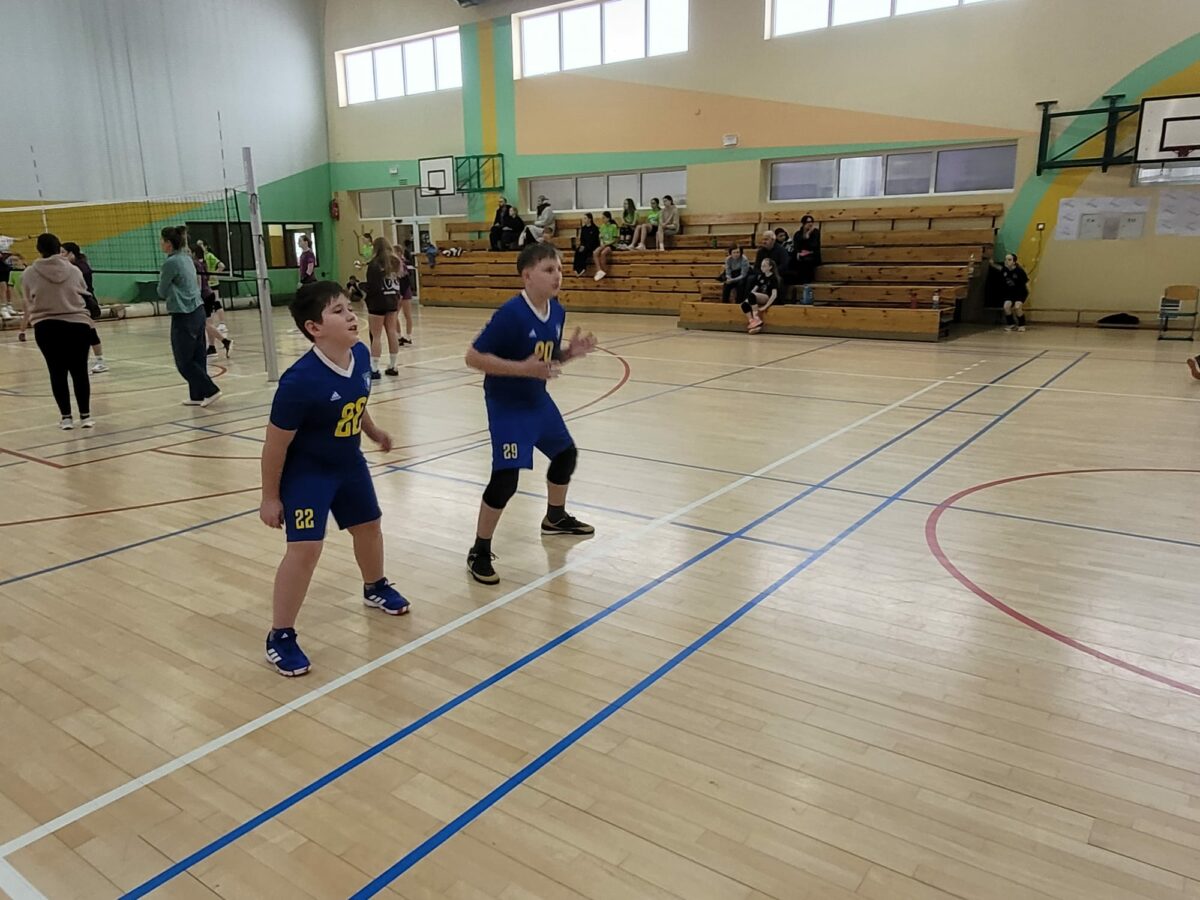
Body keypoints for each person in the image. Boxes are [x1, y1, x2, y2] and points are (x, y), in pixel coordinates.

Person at [259, 280, 410, 676]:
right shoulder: (299, 382)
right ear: (314, 328)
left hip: (349, 463)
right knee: (306, 549)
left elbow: (355, 400)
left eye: (349, 307)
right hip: (308, 473)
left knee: (369, 526)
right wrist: (270, 497)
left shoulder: (359, 354)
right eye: (338, 311)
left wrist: (372, 431)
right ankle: (280, 635)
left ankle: (375, 586)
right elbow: (274, 446)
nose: (351, 316)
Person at [463, 242, 598, 585]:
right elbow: (472, 357)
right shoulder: (511, 314)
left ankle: (555, 518)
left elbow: (545, 359)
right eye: (549, 270)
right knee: (506, 480)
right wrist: (522, 369)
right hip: (507, 406)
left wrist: (570, 353)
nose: (558, 276)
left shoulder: (557, 312)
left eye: (560, 269)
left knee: (566, 455)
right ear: (527, 276)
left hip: (537, 401)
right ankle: (479, 550)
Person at [17, 233, 95, 429]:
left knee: (57, 372)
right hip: (77, 324)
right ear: (59, 248)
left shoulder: (28, 273)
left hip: (46, 327)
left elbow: (28, 299)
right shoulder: (74, 270)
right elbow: (84, 291)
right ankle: (85, 417)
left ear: (38, 249)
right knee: (80, 372)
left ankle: (66, 418)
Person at [159, 226, 220, 407]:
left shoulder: (170, 263)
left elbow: (161, 290)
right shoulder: (187, 258)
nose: (160, 244)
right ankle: (197, 395)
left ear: (169, 243)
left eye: (162, 240)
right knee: (198, 356)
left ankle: (211, 390)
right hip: (198, 311)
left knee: (184, 361)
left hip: (184, 314)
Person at [61, 242, 107, 373]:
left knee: (90, 332)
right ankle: (80, 362)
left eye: (63, 252)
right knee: (77, 333)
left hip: (85, 303)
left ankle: (100, 362)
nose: (60, 255)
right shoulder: (70, 267)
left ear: (71, 254)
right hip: (74, 304)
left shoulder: (80, 268)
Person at [363, 236, 403, 378]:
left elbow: (373, 286)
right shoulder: (395, 262)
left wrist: (363, 289)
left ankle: (374, 368)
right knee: (392, 332)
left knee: (376, 336)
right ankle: (393, 365)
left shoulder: (374, 264)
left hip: (377, 302)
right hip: (392, 300)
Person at [193, 244, 232, 358]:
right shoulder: (203, 263)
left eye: (189, 252)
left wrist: (197, 295)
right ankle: (211, 347)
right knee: (208, 322)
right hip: (209, 293)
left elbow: (199, 282)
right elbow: (208, 278)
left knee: (205, 323)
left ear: (194, 253)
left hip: (204, 295)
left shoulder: (196, 264)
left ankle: (225, 341)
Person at [196, 239, 229, 338]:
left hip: (212, 283)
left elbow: (222, 266)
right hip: (205, 284)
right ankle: (211, 325)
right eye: (198, 245)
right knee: (209, 306)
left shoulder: (209, 256)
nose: (199, 246)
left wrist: (214, 274)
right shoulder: (199, 258)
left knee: (216, 302)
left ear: (205, 246)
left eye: (201, 244)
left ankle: (222, 323)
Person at [740, 257, 781, 334]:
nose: (762, 268)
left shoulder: (773, 278)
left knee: (752, 295)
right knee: (744, 305)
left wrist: (766, 306)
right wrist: (747, 300)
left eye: (764, 266)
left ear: (770, 267)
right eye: (761, 266)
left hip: (767, 297)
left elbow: (774, 295)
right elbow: (754, 289)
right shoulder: (761, 276)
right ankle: (753, 322)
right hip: (758, 297)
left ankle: (756, 318)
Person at [993, 253, 1029, 331]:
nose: (1006, 261)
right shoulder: (1004, 270)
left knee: (1017, 306)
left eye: (1009, 260)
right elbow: (999, 267)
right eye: (1005, 259)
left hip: (1020, 292)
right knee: (1006, 306)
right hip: (1010, 292)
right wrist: (991, 263)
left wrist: (1028, 294)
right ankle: (1011, 324)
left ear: (1014, 262)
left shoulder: (1019, 271)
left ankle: (1022, 325)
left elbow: (1027, 283)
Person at [392, 242, 414, 346]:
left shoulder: (404, 264)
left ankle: (408, 336)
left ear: (399, 253)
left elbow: (405, 281)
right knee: (394, 314)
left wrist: (401, 294)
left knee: (407, 314)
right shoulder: (393, 265)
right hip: (397, 291)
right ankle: (399, 336)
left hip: (405, 291)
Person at [790, 215, 821, 285]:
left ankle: (806, 280)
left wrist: (808, 236)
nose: (810, 224)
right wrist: (798, 253)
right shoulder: (798, 234)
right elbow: (796, 246)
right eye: (808, 222)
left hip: (812, 254)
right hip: (801, 254)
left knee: (806, 260)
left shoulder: (815, 232)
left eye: (812, 222)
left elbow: (814, 246)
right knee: (792, 260)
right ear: (803, 223)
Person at [594, 211, 619, 281]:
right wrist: (602, 243)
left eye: (604, 218)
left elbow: (615, 240)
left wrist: (606, 244)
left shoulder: (613, 226)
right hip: (604, 244)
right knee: (595, 252)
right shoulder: (602, 226)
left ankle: (604, 271)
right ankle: (599, 270)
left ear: (608, 218)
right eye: (602, 218)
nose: (602, 219)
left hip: (611, 245)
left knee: (603, 253)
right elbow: (601, 237)